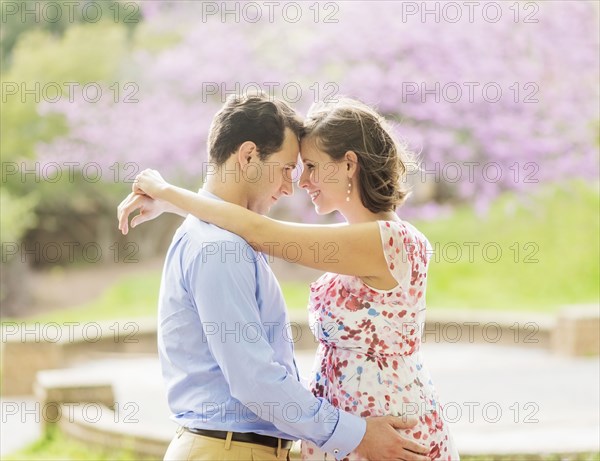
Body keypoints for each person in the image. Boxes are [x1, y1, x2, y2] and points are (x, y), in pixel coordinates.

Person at [117, 93, 431, 461]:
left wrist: (170, 196)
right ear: (248, 156)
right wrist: (356, 435)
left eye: (309, 168)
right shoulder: (221, 247)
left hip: (384, 437)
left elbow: (262, 230)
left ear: (349, 165)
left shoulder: (381, 239)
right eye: (289, 169)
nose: (293, 186)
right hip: (238, 449)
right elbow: (256, 381)